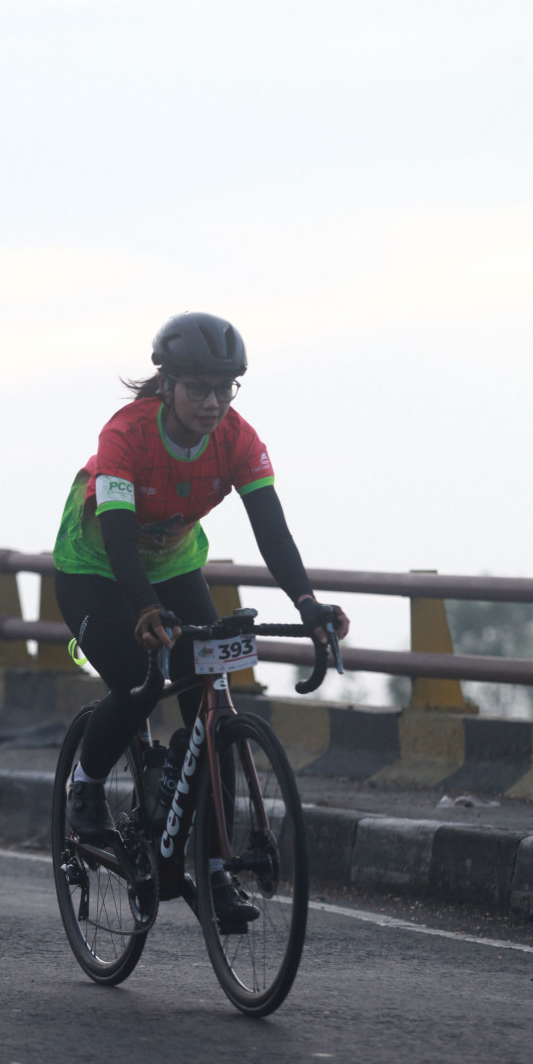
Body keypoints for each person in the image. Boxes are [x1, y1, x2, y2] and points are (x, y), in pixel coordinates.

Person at [52, 312, 349, 929]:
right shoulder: (126, 434)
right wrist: (143, 609)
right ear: (166, 383)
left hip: (174, 566)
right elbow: (118, 534)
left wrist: (307, 603)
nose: (213, 403)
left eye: (225, 389)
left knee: (212, 706)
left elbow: (272, 528)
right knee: (140, 680)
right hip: (96, 569)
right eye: (198, 389)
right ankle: (85, 783)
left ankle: (214, 872)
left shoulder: (237, 438)